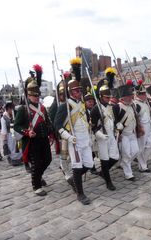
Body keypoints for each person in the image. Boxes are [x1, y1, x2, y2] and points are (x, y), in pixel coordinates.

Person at [54, 58, 94, 205]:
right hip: (74, 140)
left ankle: (74, 180)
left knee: (89, 165)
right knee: (77, 166)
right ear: (71, 91)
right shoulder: (65, 106)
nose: (79, 92)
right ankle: (80, 193)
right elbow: (57, 124)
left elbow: (86, 121)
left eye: (80, 90)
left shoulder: (82, 105)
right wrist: (68, 137)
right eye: (77, 90)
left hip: (85, 139)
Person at [14, 66, 53, 197]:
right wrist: (26, 132)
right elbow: (16, 126)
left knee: (48, 159)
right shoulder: (23, 109)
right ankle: (36, 185)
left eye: (37, 95)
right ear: (28, 95)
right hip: (32, 141)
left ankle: (37, 176)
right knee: (36, 163)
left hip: (44, 139)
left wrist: (51, 133)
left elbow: (48, 122)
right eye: (33, 95)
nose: (36, 97)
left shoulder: (42, 108)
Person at [90, 81, 119, 190]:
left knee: (115, 157)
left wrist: (118, 125)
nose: (108, 99)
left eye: (109, 97)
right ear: (101, 97)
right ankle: (108, 182)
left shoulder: (111, 107)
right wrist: (99, 134)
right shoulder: (95, 109)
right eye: (106, 97)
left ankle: (103, 172)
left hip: (111, 135)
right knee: (104, 159)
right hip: (101, 137)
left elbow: (113, 120)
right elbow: (92, 126)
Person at [113, 81, 139, 180]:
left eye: (131, 95)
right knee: (126, 153)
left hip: (132, 133)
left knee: (136, 151)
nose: (131, 97)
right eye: (128, 96)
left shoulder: (132, 105)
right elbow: (114, 121)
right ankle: (128, 174)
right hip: (123, 135)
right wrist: (117, 131)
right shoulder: (117, 107)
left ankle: (124, 163)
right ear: (123, 97)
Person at [134, 79, 151, 172]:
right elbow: (136, 117)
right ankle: (142, 166)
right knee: (141, 147)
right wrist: (139, 128)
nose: (144, 95)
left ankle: (143, 162)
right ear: (138, 94)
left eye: (144, 93)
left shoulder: (146, 103)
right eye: (142, 94)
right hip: (142, 126)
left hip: (148, 126)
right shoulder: (135, 104)